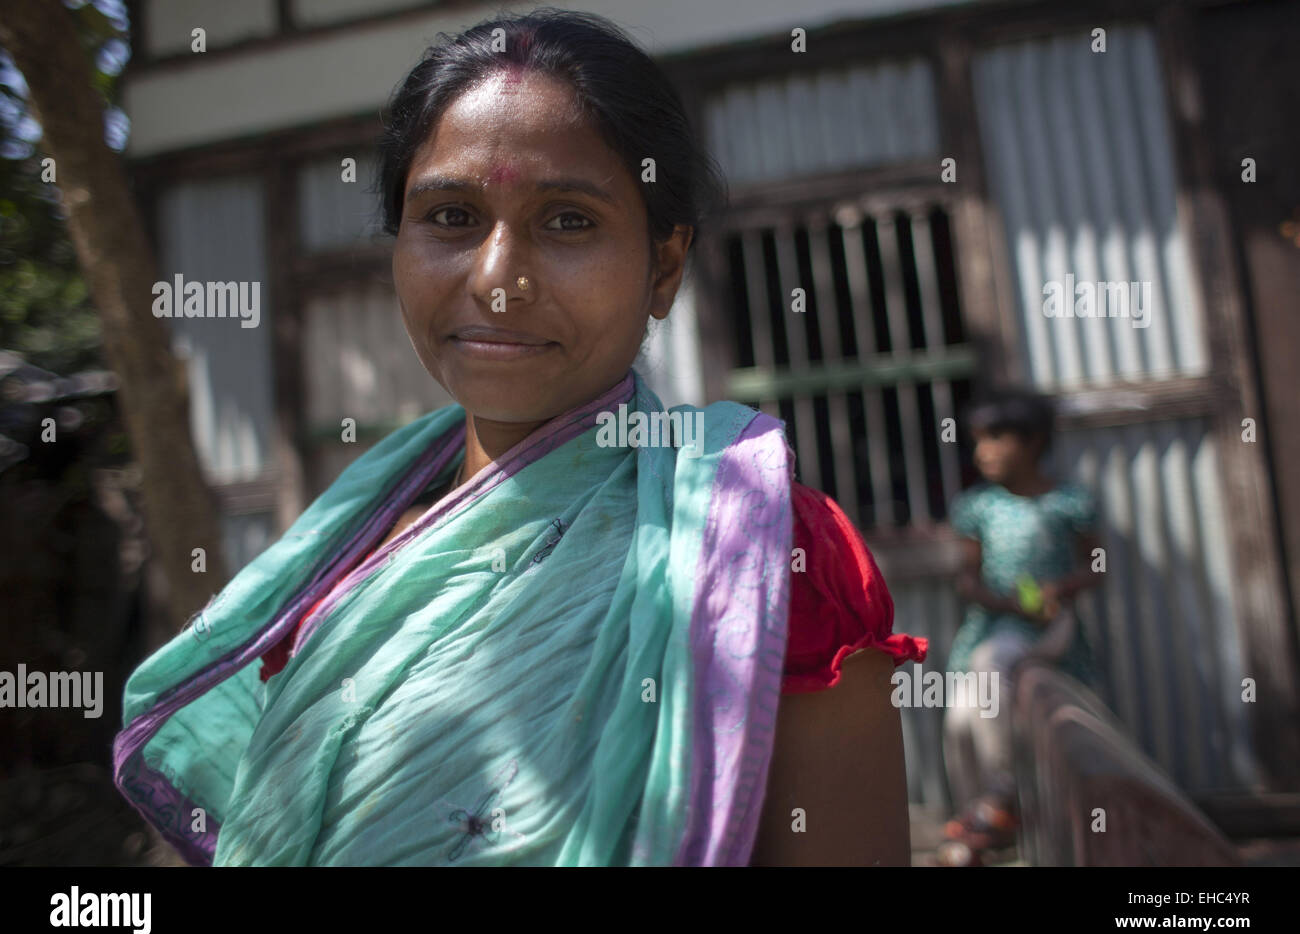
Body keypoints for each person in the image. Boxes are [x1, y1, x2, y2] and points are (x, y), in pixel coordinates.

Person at [113, 9, 926, 867]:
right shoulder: (343, 566)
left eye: (568, 220)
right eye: (452, 216)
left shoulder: (761, 558)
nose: (498, 280)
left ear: (664, 266)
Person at [937, 389, 1101, 865]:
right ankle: (978, 818)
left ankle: (1002, 796)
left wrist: (1059, 590)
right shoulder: (977, 507)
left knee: (991, 667)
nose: (981, 451)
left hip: (1049, 628)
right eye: (976, 440)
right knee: (962, 717)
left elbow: (1097, 566)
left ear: (1032, 443)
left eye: (994, 439)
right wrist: (1007, 602)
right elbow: (968, 580)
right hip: (992, 624)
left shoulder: (1067, 501)